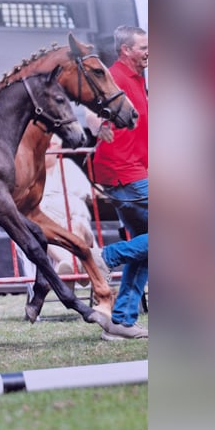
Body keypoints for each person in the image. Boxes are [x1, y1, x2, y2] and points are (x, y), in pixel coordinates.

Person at [87, 25, 149, 340]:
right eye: (143, 47)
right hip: (124, 171)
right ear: (126, 50)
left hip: (137, 171)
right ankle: (105, 257)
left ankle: (121, 323)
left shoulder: (138, 78)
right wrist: (97, 125)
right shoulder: (114, 77)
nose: (149, 51)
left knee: (148, 248)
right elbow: (90, 113)